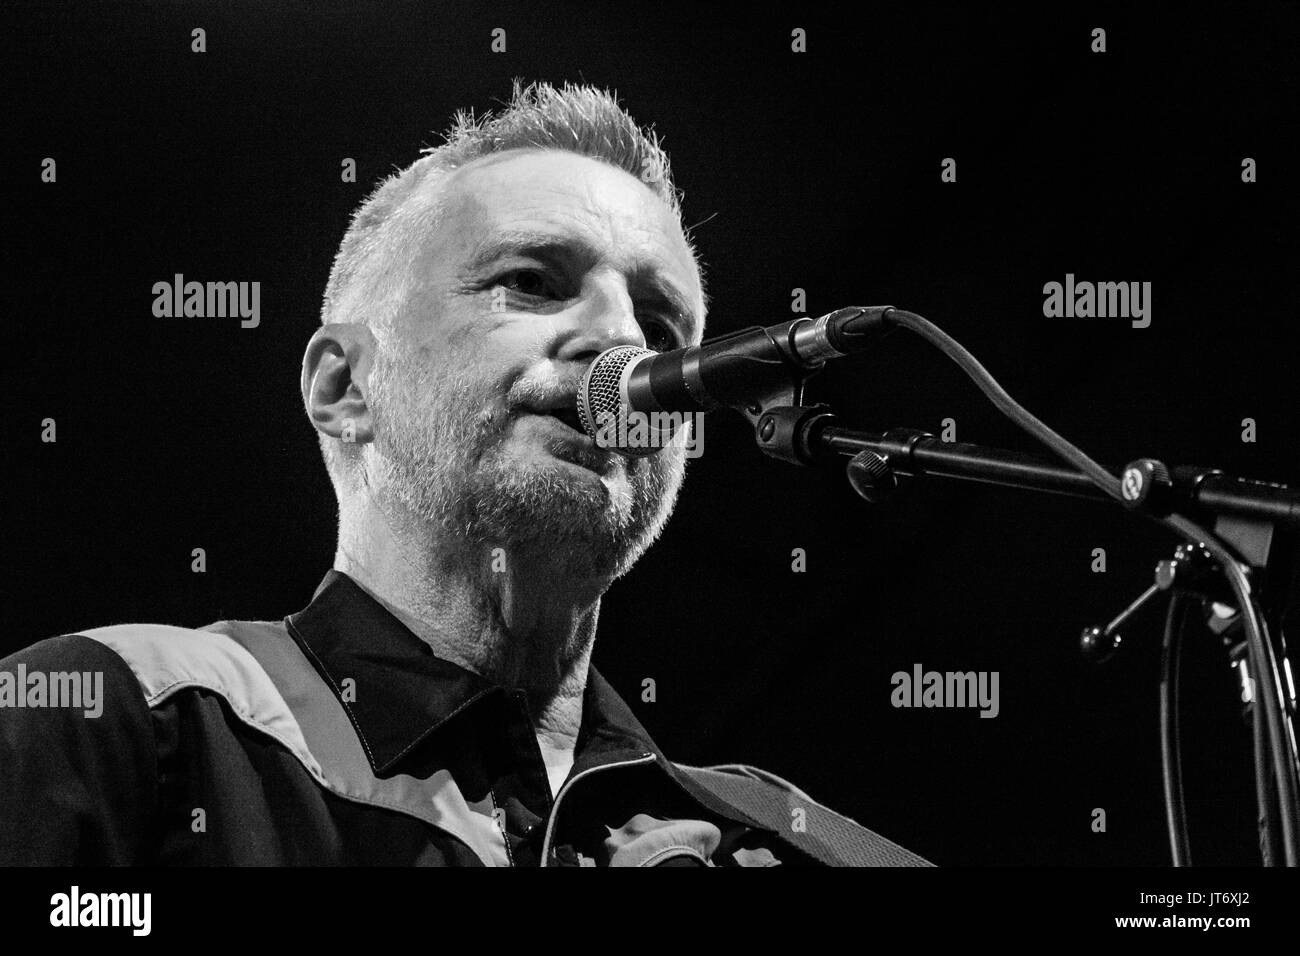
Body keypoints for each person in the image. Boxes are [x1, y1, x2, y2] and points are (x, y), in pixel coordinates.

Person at [0, 81, 928, 867]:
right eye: (530, 279)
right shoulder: (122, 715)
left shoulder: (780, 840)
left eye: (662, 322)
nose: (620, 341)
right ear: (346, 385)